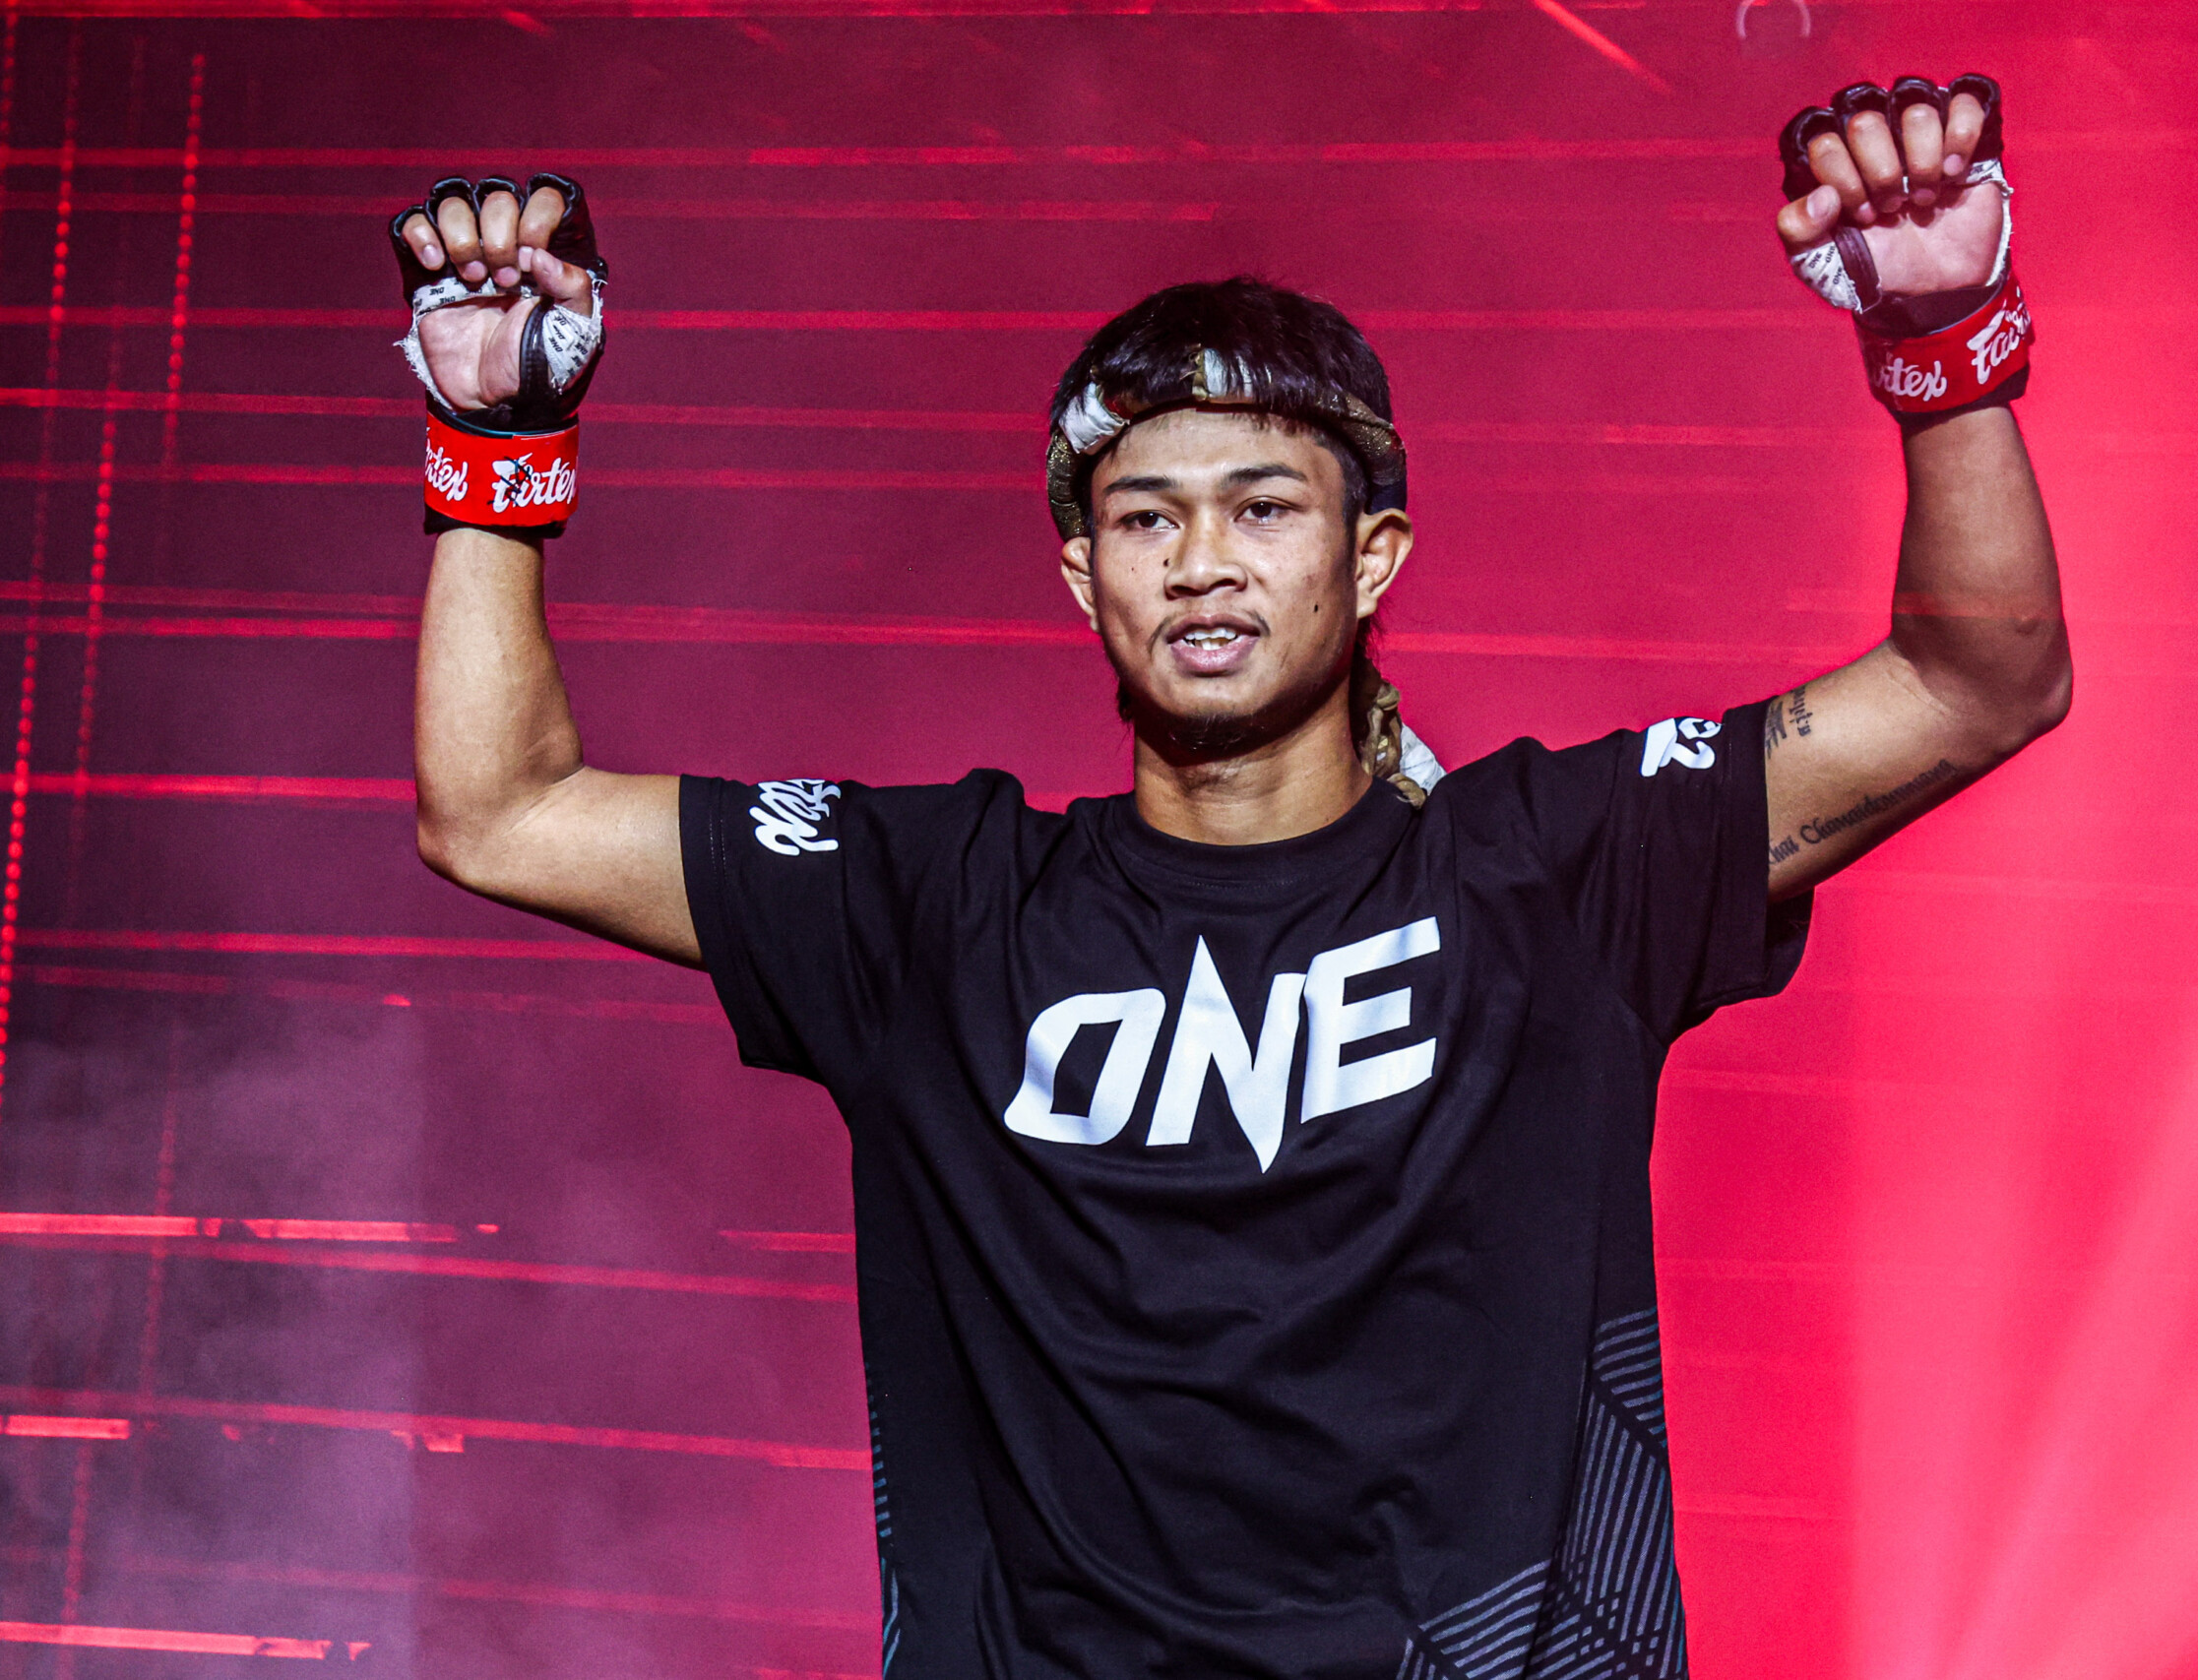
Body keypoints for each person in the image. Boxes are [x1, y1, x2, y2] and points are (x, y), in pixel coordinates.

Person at [393, 73, 2065, 1680]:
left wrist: (1940, 348)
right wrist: (495, 440)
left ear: (1372, 554)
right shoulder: (938, 911)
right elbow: (501, 814)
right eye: (1146, 519)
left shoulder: (1557, 877)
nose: (1202, 562)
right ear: (1082, 573)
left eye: (1264, 508)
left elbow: (1978, 683)